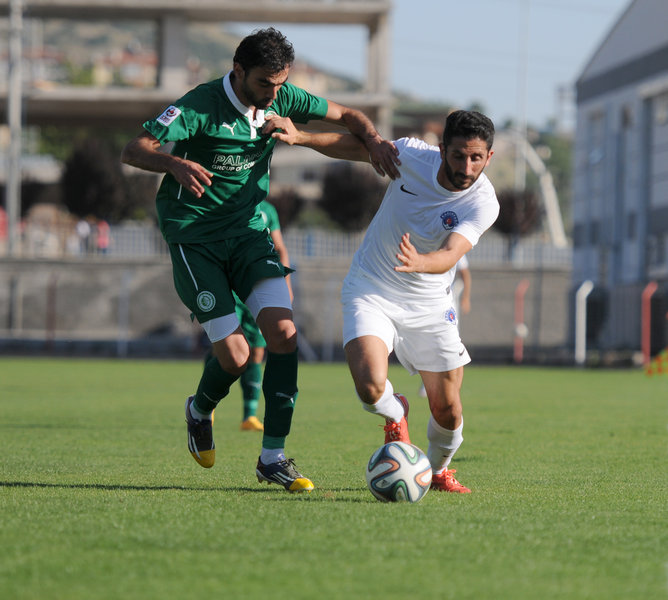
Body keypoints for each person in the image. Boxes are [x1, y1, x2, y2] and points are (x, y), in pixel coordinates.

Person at [120, 27, 399, 494]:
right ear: (238, 71)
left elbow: (349, 115)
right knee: (236, 355)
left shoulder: (283, 96)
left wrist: (371, 140)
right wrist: (174, 163)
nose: (273, 94)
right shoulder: (199, 105)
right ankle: (199, 409)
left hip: (249, 234)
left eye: (280, 83)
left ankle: (272, 457)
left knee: (284, 336)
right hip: (195, 238)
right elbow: (134, 149)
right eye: (265, 83)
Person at [269, 109, 498, 493]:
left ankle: (437, 471)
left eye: (476, 158)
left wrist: (421, 263)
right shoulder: (412, 156)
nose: (466, 167)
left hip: (429, 304)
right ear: (442, 149)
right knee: (371, 386)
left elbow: (451, 254)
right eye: (458, 155)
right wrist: (301, 137)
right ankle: (396, 413)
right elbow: (356, 147)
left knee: (447, 409)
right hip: (371, 288)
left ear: (489, 157)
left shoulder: (484, 202)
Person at [202, 199, 292, 433]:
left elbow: (279, 247)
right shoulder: (225, 201)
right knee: (225, 348)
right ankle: (206, 405)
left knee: (257, 351)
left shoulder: (268, 210)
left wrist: (286, 282)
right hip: (228, 288)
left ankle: (249, 416)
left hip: (256, 286)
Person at [418, 253, 471, 397]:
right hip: (427, 301)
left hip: (447, 303)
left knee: (448, 343)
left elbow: (465, 273)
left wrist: (465, 297)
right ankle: (428, 383)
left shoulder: (453, 246)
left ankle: (450, 386)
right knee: (428, 342)